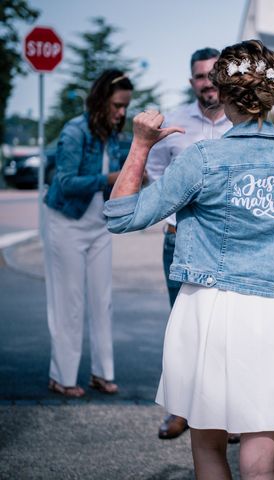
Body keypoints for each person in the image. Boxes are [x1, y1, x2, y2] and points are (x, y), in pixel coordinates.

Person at [104, 40, 274, 479]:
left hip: (207, 309)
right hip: (273, 313)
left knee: (209, 449)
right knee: (262, 456)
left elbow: (121, 216)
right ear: (272, 96)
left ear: (224, 95)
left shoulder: (203, 159)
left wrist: (140, 146)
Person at [145, 47, 232, 441]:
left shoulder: (241, 120)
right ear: (191, 81)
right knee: (182, 327)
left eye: (214, 74)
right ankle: (181, 410)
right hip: (180, 241)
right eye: (200, 76)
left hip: (228, 243)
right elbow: (155, 171)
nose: (208, 82)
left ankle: (229, 412)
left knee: (227, 328)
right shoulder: (175, 122)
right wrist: (169, 216)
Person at [43, 69, 133, 397]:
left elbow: (123, 179)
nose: (122, 112)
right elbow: (64, 182)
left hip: (99, 227)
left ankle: (101, 372)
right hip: (67, 222)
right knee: (69, 302)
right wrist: (107, 179)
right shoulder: (74, 131)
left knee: (102, 300)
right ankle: (62, 377)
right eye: (117, 105)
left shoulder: (116, 135)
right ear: (100, 101)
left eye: (125, 106)